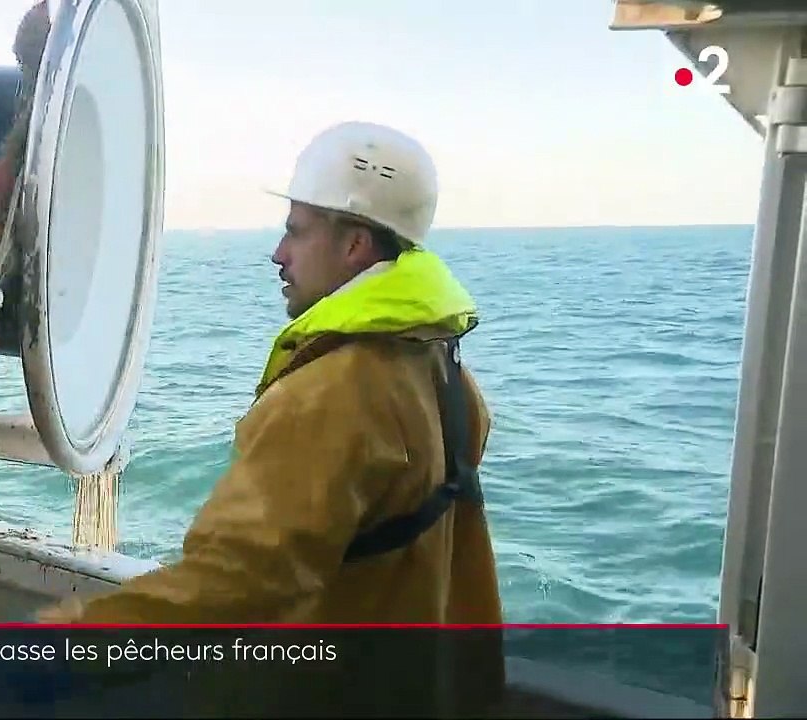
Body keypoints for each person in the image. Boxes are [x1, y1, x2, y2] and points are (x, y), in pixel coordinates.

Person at [36, 120, 503, 627]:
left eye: (296, 232)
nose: (279, 254)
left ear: (354, 245)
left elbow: (235, 582)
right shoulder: (446, 370)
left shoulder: (330, 395)